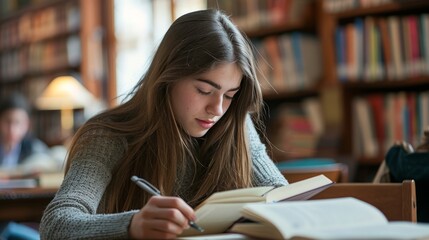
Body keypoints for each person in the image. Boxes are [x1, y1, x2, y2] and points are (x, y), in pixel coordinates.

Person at [40, 9, 288, 239]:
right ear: (167, 78)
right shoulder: (107, 135)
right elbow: (56, 224)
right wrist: (132, 224)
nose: (218, 109)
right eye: (204, 90)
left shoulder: (236, 123)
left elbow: (280, 196)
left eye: (230, 95)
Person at [0, 92, 48, 170]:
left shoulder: (35, 148)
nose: (12, 129)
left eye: (18, 122)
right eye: (7, 121)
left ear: (27, 125)